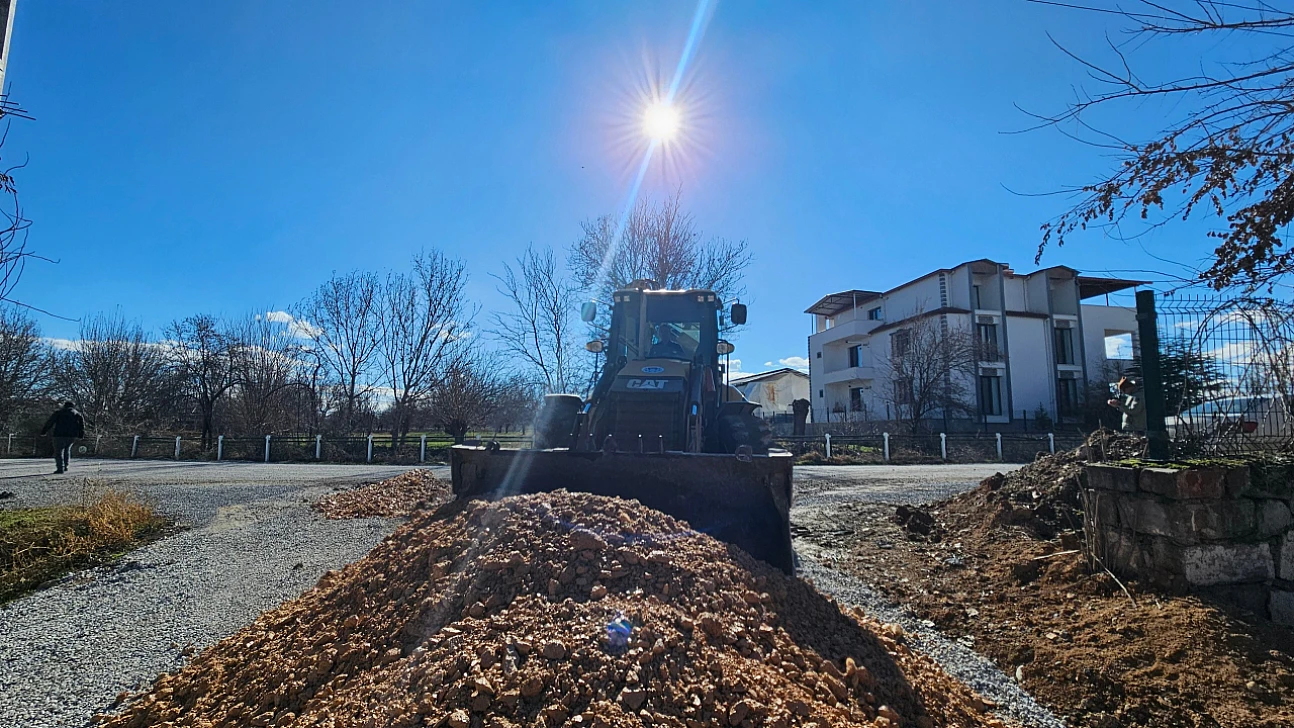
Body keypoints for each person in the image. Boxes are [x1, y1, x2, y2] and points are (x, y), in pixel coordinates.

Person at [40, 401, 85, 474]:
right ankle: (66, 466)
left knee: (58, 452)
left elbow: (50, 422)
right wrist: (81, 434)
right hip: (72, 435)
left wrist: (44, 431)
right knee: (67, 450)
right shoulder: (77, 414)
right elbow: (81, 425)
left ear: (64, 406)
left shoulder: (58, 413)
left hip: (59, 434)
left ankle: (60, 468)